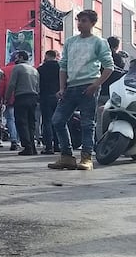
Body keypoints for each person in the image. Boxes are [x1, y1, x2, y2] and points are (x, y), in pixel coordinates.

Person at [49, 10, 114, 171]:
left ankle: (86, 157)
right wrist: (62, 87)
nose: (80, 24)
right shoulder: (70, 42)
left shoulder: (99, 42)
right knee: (57, 120)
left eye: (84, 21)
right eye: (78, 21)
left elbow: (109, 67)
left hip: (89, 86)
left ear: (93, 23)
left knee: (87, 124)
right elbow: (63, 66)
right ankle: (66, 156)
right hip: (70, 87)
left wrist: (96, 84)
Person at [5, 50, 40, 155]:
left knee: (21, 122)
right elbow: (38, 86)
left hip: (21, 97)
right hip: (33, 97)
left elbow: (12, 84)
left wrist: (7, 98)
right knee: (31, 123)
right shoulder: (34, 70)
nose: (15, 59)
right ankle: (33, 146)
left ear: (20, 57)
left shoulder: (18, 68)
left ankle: (27, 147)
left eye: (16, 57)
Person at [38, 50, 61, 154]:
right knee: (58, 121)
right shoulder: (61, 68)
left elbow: (37, 84)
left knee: (47, 121)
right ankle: (57, 144)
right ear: (55, 56)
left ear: (47, 56)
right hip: (58, 96)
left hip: (45, 97)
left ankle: (48, 147)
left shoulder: (41, 69)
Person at [0, 59, 20, 150]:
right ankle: (21, 140)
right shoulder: (21, 68)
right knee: (21, 119)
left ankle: (14, 140)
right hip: (21, 96)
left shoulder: (4, 70)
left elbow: (2, 85)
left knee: (10, 119)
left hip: (9, 97)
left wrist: (2, 99)